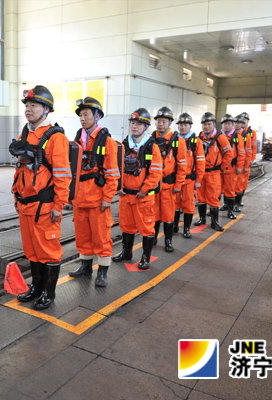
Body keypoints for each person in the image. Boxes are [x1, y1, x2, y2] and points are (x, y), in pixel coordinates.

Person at [10, 85, 71, 310]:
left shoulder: (55, 138)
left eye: (34, 105)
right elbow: (20, 169)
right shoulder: (25, 133)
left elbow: (63, 175)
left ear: (46, 109)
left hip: (45, 208)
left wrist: (59, 205)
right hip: (26, 206)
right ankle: (36, 288)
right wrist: (16, 195)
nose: (28, 109)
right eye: (27, 105)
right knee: (32, 250)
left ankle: (48, 293)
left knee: (49, 251)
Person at [68, 97, 119, 287]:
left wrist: (108, 198)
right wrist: (70, 195)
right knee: (83, 236)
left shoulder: (108, 142)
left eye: (86, 114)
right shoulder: (76, 141)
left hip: (98, 200)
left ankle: (102, 272)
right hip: (79, 199)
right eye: (80, 115)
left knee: (101, 237)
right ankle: (86, 267)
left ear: (97, 116)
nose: (82, 118)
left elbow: (112, 174)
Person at [112, 108, 162, 269]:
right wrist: (119, 186)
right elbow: (116, 168)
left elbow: (156, 173)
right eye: (133, 123)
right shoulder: (123, 145)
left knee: (146, 227)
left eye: (139, 124)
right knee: (126, 226)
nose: (135, 126)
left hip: (143, 197)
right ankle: (126, 253)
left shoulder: (152, 147)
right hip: (125, 195)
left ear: (146, 126)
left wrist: (144, 189)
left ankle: (145, 258)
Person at [151, 107, 187, 252]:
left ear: (170, 123)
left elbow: (182, 165)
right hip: (153, 186)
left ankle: (168, 241)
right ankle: (152, 238)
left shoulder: (178, 142)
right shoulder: (150, 140)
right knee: (153, 213)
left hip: (169, 186)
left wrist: (179, 184)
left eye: (164, 121)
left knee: (168, 214)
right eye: (159, 121)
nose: (161, 124)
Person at [194, 112, 233, 231]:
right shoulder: (198, 138)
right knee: (200, 197)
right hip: (201, 173)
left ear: (214, 124)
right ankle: (202, 219)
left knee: (213, 197)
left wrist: (222, 167)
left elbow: (229, 153)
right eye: (205, 124)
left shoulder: (220, 138)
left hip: (214, 173)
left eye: (209, 124)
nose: (206, 127)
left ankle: (214, 222)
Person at [173, 113, 205, 238]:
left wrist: (198, 180)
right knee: (174, 203)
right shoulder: (174, 140)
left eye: (185, 125)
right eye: (181, 125)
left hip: (189, 179)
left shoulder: (196, 142)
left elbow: (200, 162)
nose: (183, 127)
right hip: (175, 179)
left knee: (188, 204)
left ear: (190, 126)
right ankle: (174, 226)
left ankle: (186, 229)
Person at [219, 114, 246, 220]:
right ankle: (218, 207)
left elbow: (241, 153)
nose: (227, 126)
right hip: (218, 169)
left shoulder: (237, 138)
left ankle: (230, 211)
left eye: (229, 124)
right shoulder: (218, 137)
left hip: (231, 169)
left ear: (232, 125)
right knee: (217, 190)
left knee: (230, 190)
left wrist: (239, 166)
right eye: (225, 124)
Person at [237, 112, 257, 207]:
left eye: (244, 120)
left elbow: (253, 148)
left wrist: (251, 160)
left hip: (246, 161)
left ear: (247, 121)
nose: (243, 122)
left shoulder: (252, 133)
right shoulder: (235, 132)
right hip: (237, 161)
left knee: (243, 182)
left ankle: (239, 200)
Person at [233, 114, 251, 212]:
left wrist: (246, 165)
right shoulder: (229, 135)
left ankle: (237, 204)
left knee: (239, 185)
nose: (236, 125)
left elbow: (248, 152)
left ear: (242, 124)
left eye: (238, 123)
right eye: (235, 123)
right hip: (231, 165)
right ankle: (227, 204)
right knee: (229, 186)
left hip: (242, 164)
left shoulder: (246, 136)